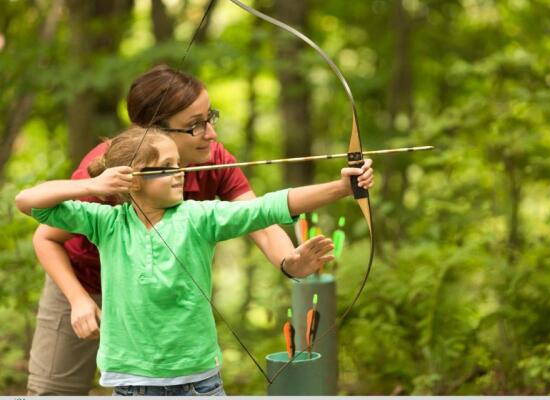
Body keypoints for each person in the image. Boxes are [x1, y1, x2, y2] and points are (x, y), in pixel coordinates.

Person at [26, 64, 374, 395]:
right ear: (152, 131)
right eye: (195, 125)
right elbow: (44, 234)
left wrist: (290, 261)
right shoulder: (112, 169)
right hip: (83, 281)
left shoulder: (213, 159)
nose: (211, 133)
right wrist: (78, 300)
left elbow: (260, 216)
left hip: (168, 306)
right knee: (54, 391)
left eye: (210, 117)